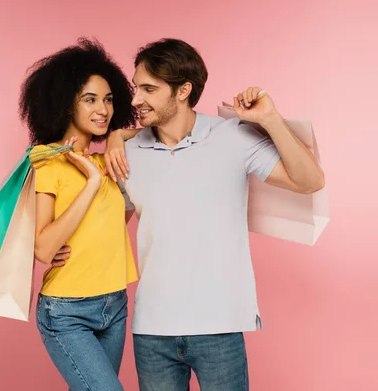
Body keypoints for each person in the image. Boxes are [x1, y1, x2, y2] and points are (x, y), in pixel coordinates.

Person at [103, 38, 325, 391]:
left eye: (148, 89)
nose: (134, 100)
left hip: (219, 327)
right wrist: (116, 137)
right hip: (151, 330)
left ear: (183, 90)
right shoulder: (128, 153)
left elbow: (310, 180)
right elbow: (108, 233)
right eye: (135, 88)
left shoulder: (232, 137)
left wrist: (270, 118)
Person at [18, 38, 139, 391]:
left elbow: (160, 132)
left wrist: (117, 136)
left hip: (115, 304)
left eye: (108, 99)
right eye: (90, 99)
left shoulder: (109, 161)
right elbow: (43, 249)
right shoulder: (47, 160)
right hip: (66, 311)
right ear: (64, 103)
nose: (102, 109)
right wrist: (90, 183)